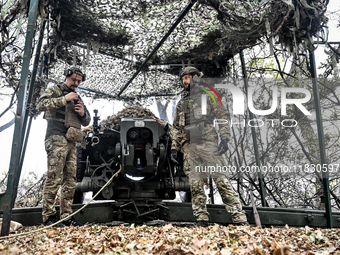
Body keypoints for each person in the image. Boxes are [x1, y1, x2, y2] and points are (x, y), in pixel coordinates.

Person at [170, 66, 248, 226]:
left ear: (195, 77)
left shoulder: (209, 96)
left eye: (187, 78)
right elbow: (176, 128)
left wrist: (225, 138)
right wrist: (174, 148)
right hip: (189, 146)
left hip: (208, 143)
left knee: (221, 180)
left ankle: (239, 218)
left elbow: (223, 116)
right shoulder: (182, 103)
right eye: (183, 79)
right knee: (195, 184)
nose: (185, 81)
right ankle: (201, 219)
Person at [37, 66, 91, 227]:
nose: (76, 83)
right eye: (74, 79)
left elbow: (87, 121)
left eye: (79, 81)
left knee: (70, 180)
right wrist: (64, 99)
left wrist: (82, 113)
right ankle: (48, 217)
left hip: (71, 141)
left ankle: (66, 216)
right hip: (55, 138)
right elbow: (41, 104)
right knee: (54, 177)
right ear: (67, 77)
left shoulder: (77, 97)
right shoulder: (55, 90)